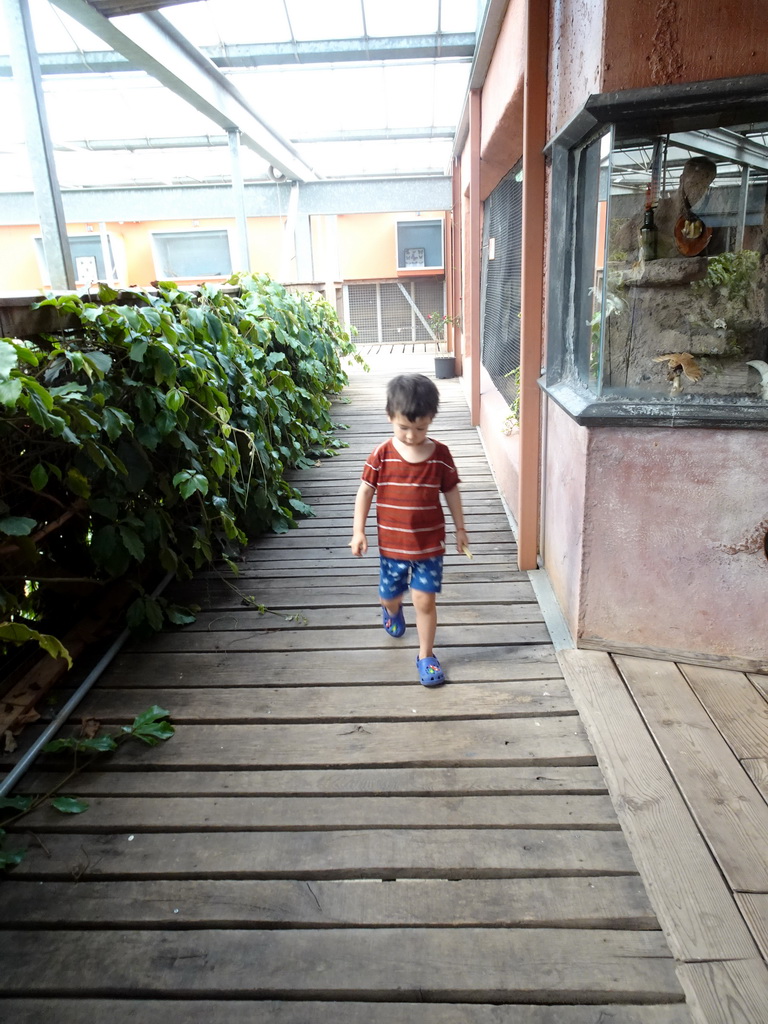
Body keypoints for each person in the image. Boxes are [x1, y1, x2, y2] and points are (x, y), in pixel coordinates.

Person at [348, 373, 469, 686]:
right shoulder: (381, 455)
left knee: (425, 601)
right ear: (390, 417)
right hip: (393, 546)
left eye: (421, 428)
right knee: (390, 596)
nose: (412, 436)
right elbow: (365, 491)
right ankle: (391, 611)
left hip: (429, 545)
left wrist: (460, 527)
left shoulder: (440, 455)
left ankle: (426, 654)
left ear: (431, 421)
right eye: (404, 427)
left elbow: (452, 490)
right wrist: (357, 531)